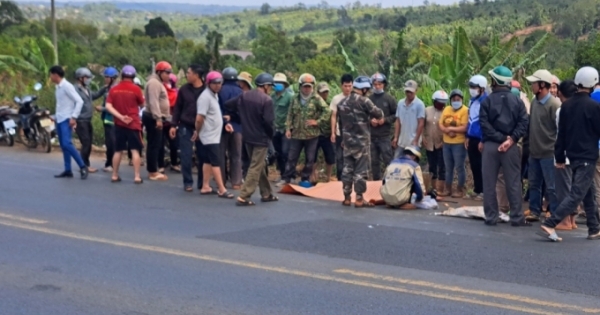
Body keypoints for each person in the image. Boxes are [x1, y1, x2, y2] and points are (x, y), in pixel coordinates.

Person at [539, 67, 600, 242]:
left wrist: (559, 157)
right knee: (577, 194)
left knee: (589, 193)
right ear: (593, 83)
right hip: (588, 157)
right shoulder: (594, 107)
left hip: (572, 156)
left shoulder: (566, 106)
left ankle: (594, 228)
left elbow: (561, 135)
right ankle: (551, 223)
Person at [480, 66, 529, 227]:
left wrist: (501, 138)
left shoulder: (487, 101)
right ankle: (516, 217)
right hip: (511, 147)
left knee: (489, 183)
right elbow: (523, 123)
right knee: (514, 182)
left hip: (491, 146)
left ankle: (491, 217)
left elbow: (484, 125)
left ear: (495, 81)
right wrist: (511, 139)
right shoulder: (518, 101)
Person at [225, 73, 277, 206]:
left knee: (259, 165)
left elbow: (228, 105)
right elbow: (268, 122)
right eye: (270, 86)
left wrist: (238, 116)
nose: (271, 89)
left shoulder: (244, 95)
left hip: (247, 136)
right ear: (265, 86)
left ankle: (266, 193)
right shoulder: (267, 100)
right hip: (261, 138)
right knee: (255, 166)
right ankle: (244, 196)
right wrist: (270, 135)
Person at [332, 76, 383, 208]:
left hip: (348, 141)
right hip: (362, 142)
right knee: (360, 171)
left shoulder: (342, 102)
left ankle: (347, 197)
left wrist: (343, 138)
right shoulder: (364, 101)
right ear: (364, 89)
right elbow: (378, 114)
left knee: (347, 169)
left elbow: (340, 123)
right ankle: (359, 198)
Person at [524, 70, 560, 222]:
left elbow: (559, 129)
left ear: (542, 85)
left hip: (549, 152)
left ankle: (554, 212)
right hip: (535, 151)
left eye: (534, 83)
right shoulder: (534, 102)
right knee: (534, 183)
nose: (531, 86)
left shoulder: (554, 104)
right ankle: (534, 210)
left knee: (551, 186)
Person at [282, 73, 330, 188]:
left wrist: (317, 121)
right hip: (297, 134)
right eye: (305, 86)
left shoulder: (317, 98)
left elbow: (327, 111)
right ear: (300, 86)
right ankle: (287, 178)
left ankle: (305, 178)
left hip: (311, 135)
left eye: (309, 86)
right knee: (291, 157)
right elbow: (289, 114)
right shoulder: (295, 98)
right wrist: (288, 128)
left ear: (312, 87)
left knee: (310, 159)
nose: (307, 89)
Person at [194, 71, 234, 199]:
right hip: (209, 136)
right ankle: (222, 189)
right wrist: (198, 131)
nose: (218, 85)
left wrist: (224, 124)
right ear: (208, 83)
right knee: (216, 162)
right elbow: (199, 118)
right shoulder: (205, 97)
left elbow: (213, 116)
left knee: (207, 161)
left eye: (219, 83)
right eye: (215, 83)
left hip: (213, 134)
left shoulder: (214, 96)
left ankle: (205, 186)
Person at [104, 65, 145, 184]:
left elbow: (108, 106)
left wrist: (121, 116)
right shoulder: (136, 89)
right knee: (135, 151)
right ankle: (137, 177)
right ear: (133, 76)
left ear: (122, 75)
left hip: (119, 124)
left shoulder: (114, 89)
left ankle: (114, 175)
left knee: (118, 150)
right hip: (133, 123)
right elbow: (142, 105)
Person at [170, 64, 205, 192]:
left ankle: (202, 183)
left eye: (189, 73)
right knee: (186, 154)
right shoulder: (184, 90)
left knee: (203, 155)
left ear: (196, 75)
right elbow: (177, 108)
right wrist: (174, 125)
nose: (187, 75)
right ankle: (188, 182)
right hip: (186, 125)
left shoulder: (207, 91)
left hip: (202, 127)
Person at [50, 65, 88, 180]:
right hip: (60, 118)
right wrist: (55, 116)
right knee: (63, 145)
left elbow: (79, 101)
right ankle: (68, 170)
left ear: (56, 75)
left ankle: (82, 166)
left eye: (51, 75)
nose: (50, 77)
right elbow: (61, 105)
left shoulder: (67, 86)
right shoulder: (58, 87)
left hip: (67, 119)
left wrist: (74, 117)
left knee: (67, 144)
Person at [553, 80, 578, 230]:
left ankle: (565, 221)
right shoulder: (580, 108)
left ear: (560, 93)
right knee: (574, 188)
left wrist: (559, 155)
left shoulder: (561, 110)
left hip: (563, 155)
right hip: (577, 155)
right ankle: (573, 220)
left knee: (563, 189)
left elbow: (561, 135)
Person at [73, 67, 107, 173]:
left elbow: (95, 95)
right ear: (80, 78)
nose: (88, 79)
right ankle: (84, 165)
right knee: (86, 143)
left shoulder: (86, 89)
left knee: (88, 143)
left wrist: (104, 88)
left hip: (87, 120)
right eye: (87, 77)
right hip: (80, 120)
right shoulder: (75, 90)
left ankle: (84, 164)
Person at [143, 61, 171, 181]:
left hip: (154, 116)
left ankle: (152, 169)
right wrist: (158, 118)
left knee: (154, 144)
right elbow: (154, 102)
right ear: (159, 72)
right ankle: (153, 171)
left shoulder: (157, 82)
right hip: (153, 117)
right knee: (154, 145)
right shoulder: (154, 83)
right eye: (167, 72)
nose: (168, 75)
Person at [440, 89, 469, 198]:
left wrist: (452, 129)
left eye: (458, 99)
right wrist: (446, 130)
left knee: (459, 167)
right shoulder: (447, 109)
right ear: (450, 100)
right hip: (446, 143)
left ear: (462, 100)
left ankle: (460, 189)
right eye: (454, 99)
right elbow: (440, 124)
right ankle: (448, 189)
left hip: (459, 143)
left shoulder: (465, 110)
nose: (456, 101)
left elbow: (465, 127)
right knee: (448, 167)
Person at [218, 67, 244, 190]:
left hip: (221, 126)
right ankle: (236, 182)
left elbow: (217, 109)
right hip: (237, 127)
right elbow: (243, 111)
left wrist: (224, 119)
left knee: (221, 154)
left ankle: (221, 181)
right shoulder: (241, 92)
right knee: (236, 155)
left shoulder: (220, 90)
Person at [369, 73, 397, 180]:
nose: (377, 86)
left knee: (388, 161)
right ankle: (376, 183)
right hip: (372, 136)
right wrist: (370, 121)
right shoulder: (369, 99)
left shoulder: (389, 99)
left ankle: (391, 182)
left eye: (379, 84)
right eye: (375, 84)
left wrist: (385, 120)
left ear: (384, 85)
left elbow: (396, 115)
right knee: (374, 162)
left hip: (384, 136)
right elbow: (363, 115)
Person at [464, 74, 488, 201]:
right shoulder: (472, 101)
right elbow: (470, 119)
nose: (472, 89)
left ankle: (484, 191)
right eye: (471, 87)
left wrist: (483, 140)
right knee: (474, 165)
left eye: (474, 87)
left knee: (481, 165)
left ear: (482, 88)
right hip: (472, 137)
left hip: (481, 138)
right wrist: (467, 135)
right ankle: (477, 189)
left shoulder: (486, 102)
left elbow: (486, 123)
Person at [329, 74, 353, 180]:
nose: (348, 88)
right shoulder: (336, 99)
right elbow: (334, 116)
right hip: (340, 134)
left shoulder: (356, 98)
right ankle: (340, 179)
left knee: (352, 158)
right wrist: (333, 132)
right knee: (339, 158)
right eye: (345, 86)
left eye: (349, 86)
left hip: (354, 134)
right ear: (341, 86)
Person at [393, 80, 425, 158]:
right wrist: (396, 137)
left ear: (416, 91)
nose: (409, 94)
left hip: (412, 142)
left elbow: (421, 123)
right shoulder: (400, 103)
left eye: (411, 92)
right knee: (396, 161)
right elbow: (398, 121)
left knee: (411, 164)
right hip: (401, 141)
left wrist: (416, 140)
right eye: (407, 91)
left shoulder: (419, 104)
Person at [423, 90, 446, 196]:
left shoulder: (446, 112)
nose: (441, 104)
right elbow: (421, 125)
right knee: (432, 166)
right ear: (434, 101)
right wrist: (422, 138)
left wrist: (444, 141)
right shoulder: (427, 110)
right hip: (429, 143)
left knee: (442, 166)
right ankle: (433, 187)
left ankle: (441, 189)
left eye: (443, 103)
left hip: (441, 143)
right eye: (439, 102)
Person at [312, 82, 336, 183]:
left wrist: (333, 133)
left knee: (330, 157)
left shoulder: (331, 104)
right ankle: (313, 177)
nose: (324, 94)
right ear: (318, 92)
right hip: (315, 134)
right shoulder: (313, 104)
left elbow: (334, 118)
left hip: (327, 134)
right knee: (312, 157)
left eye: (326, 92)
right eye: (322, 92)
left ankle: (328, 178)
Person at [96, 67, 119, 173]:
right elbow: (95, 95)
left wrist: (102, 108)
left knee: (112, 143)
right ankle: (109, 163)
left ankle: (110, 164)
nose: (105, 79)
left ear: (113, 78)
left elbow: (116, 106)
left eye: (107, 77)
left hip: (113, 119)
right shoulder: (106, 88)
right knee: (109, 142)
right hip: (107, 119)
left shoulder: (117, 89)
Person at [272, 73, 293, 184]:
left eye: (280, 83)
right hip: (275, 129)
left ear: (285, 85)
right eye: (276, 83)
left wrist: (289, 128)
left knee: (286, 153)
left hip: (286, 129)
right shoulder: (272, 97)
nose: (278, 85)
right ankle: (282, 175)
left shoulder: (289, 97)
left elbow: (291, 113)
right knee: (278, 153)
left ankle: (287, 176)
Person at [161, 73, 180, 173]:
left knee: (174, 144)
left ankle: (174, 163)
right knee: (160, 143)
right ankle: (160, 164)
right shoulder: (161, 91)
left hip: (171, 121)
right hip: (161, 120)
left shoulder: (176, 92)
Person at [237, 71, 253, 178]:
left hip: (245, 126)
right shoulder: (251, 94)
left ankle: (247, 173)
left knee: (246, 153)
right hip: (247, 126)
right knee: (244, 152)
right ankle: (245, 173)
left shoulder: (243, 95)